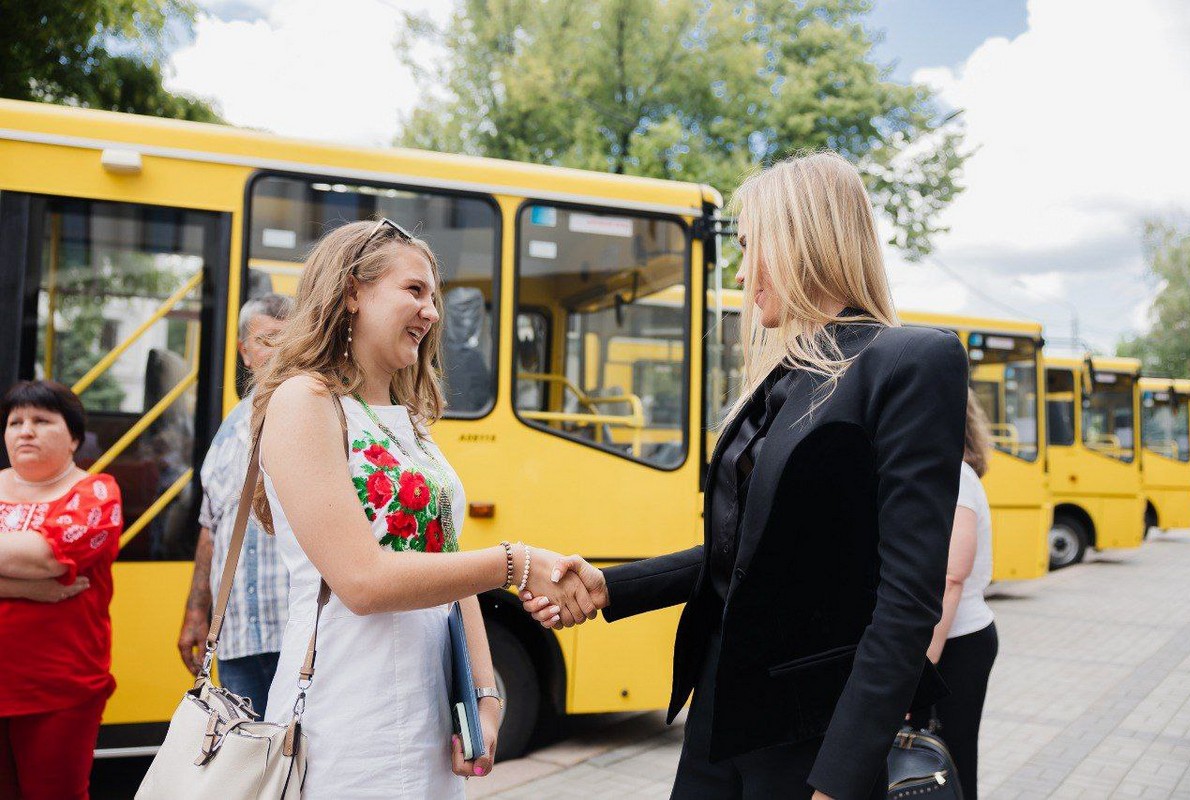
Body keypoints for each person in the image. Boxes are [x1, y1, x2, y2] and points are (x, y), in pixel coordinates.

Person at [525, 152, 969, 800]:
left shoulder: (910, 361)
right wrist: (609, 588)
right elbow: (754, 550)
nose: (738, 273)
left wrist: (838, 782)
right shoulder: (785, 376)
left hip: (812, 737)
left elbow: (907, 601)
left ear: (800, 241)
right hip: (720, 716)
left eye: (746, 247)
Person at [252, 218, 596, 797]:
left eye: (433, 296)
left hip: (430, 718)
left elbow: (448, 568)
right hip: (346, 715)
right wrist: (513, 563)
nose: (432, 312)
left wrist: (486, 697)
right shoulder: (304, 401)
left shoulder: (411, 422)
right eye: (414, 290)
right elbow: (361, 582)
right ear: (352, 292)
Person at [0, 380, 122, 800]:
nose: (25, 430)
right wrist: (28, 590)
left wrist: (32, 573)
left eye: (41, 420)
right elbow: (35, 569)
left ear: (73, 438)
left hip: (59, 691)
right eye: (15, 422)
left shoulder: (96, 492)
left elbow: (48, 557)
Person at [177, 293, 293, 717]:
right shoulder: (229, 428)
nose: (279, 351)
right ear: (246, 353)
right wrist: (196, 610)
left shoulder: (322, 414)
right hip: (236, 636)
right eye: (266, 340)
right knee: (247, 767)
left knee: (301, 768)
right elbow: (211, 529)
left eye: (290, 339)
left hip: (298, 636)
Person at [921, 389, 999, 800]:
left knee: (951, 762)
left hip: (956, 642)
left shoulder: (955, 477)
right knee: (947, 758)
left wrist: (923, 667)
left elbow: (952, 576)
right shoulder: (947, 472)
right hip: (952, 639)